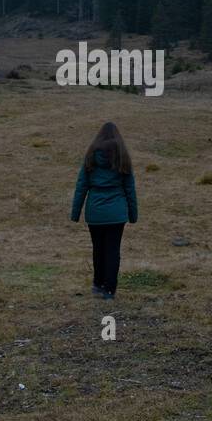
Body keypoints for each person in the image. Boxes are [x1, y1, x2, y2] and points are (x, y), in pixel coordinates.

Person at [70, 122, 138, 299]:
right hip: (117, 213)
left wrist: (75, 213)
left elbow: (81, 186)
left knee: (98, 249)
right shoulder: (122, 155)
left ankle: (98, 284)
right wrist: (133, 214)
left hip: (96, 212)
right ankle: (109, 289)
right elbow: (130, 188)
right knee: (113, 250)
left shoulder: (91, 155)